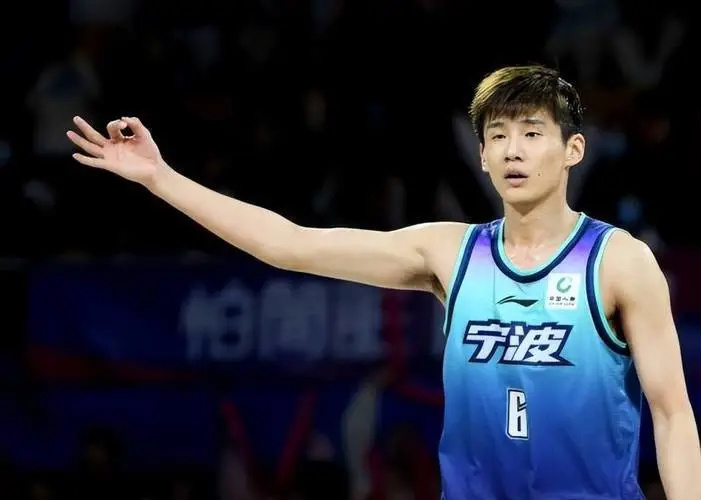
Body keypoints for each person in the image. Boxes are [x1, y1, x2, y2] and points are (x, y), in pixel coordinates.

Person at [66, 64, 701, 499]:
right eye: (498, 136)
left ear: (573, 150)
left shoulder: (619, 261)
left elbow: (672, 414)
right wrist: (160, 178)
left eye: (532, 134)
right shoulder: (449, 252)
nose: (513, 150)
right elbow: (289, 244)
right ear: (481, 156)